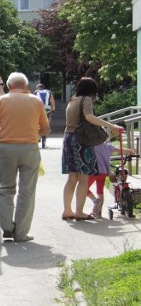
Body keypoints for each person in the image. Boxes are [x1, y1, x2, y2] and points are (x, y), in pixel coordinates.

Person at [0, 72, 49, 242]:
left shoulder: (1, 100)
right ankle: (21, 233)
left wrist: (5, 132)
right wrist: (32, 133)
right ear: (26, 86)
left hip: (7, 148)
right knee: (27, 191)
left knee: (6, 189)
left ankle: (7, 227)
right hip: (30, 148)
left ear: (8, 86)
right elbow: (45, 130)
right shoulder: (36, 101)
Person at [61, 77, 121, 221]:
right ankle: (79, 212)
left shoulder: (72, 100)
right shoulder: (86, 100)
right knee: (83, 178)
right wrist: (111, 126)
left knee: (72, 178)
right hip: (81, 140)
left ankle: (67, 211)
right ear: (91, 90)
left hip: (68, 138)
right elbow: (89, 117)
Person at [86, 138, 134, 218]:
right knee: (100, 191)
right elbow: (119, 150)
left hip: (94, 170)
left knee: (83, 188)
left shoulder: (92, 145)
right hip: (104, 172)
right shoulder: (107, 146)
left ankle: (95, 200)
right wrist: (129, 151)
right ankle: (99, 212)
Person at [34, 84, 56, 148]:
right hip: (47, 108)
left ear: (38, 88)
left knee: (37, 123)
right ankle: (44, 141)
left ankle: (38, 137)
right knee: (47, 124)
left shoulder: (35, 92)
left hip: (38, 109)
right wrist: (53, 110)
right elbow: (52, 101)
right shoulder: (49, 92)